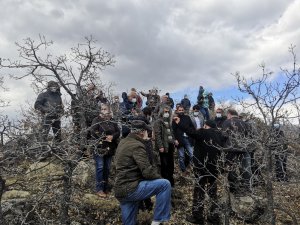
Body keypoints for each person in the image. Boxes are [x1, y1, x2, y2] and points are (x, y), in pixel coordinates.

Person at [114, 120, 172, 225]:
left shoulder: (123, 142)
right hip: (131, 188)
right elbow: (147, 172)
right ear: (142, 132)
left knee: (129, 223)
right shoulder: (137, 146)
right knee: (165, 184)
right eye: (147, 132)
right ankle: (157, 220)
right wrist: (159, 177)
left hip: (120, 189)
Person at [173, 118, 225, 225]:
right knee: (213, 192)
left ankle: (198, 217)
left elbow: (190, 131)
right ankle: (214, 218)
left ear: (206, 126)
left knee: (199, 191)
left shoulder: (203, 132)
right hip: (214, 168)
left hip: (201, 167)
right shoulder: (220, 135)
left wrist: (179, 122)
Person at [90, 103, 120, 198]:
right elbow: (93, 131)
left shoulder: (112, 121)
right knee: (100, 167)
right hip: (99, 148)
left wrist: (112, 136)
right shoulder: (96, 120)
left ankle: (105, 188)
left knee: (107, 168)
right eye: (102, 109)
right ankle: (99, 189)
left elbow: (118, 131)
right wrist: (103, 137)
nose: (104, 111)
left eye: (105, 109)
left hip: (110, 148)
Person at [222, 109, 252, 193]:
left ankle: (234, 189)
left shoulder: (227, 122)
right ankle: (247, 188)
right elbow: (249, 136)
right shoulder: (245, 123)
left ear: (229, 114)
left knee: (232, 169)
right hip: (244, 149)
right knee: (246, 169)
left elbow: (223, 135)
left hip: (230, 149)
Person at [153, 105, 177, 187]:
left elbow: (171, 134)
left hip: (170, 146)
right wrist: (160, 146)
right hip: (164, 146)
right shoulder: (158, 122)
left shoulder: (168, 122)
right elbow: (158, 135)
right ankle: (165, 182)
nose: (166, 113)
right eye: (165, 112)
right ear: (161, 112)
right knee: (164, 164)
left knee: (171, 164)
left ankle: (171, 181)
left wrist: (174, 140)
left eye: (168, 112)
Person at [172, 105, 195, 174]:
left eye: (182, 110)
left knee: (192, 154)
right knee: (181, 156)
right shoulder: (175, 119)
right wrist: (175, 140)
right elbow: (173, 130)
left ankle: (191, 168)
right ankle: (183, 170)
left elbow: (192, 127)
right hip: (179, 139)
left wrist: (191, 134)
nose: (181, 111)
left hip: (188, 138)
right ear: (177, 110)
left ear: (184, 110)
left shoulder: (187, 118)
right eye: (180, 110)